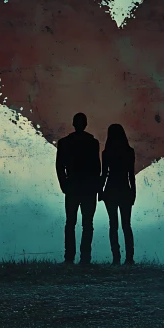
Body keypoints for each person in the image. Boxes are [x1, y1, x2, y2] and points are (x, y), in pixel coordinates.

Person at [55, 113, 101, 265]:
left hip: (73, 186)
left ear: (73, 123)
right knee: (87, 223)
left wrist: (64, 184)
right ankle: (85, 257)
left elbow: (59, 166)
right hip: (88, 187)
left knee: (71, 222)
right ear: (85, 124)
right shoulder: (93, 143)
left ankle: (69, 257)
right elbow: (97, 168)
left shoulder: (64, 143)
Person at [100, 124, 136, 265]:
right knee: (126, 225)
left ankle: (116, 257)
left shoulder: (106, 152)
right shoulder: (129, 151)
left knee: (113, 225)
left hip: (110, 190)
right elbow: (131, 175)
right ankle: (129, 257)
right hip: (125, 189)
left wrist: (100, 191)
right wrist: (133, 192)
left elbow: (104, 175)